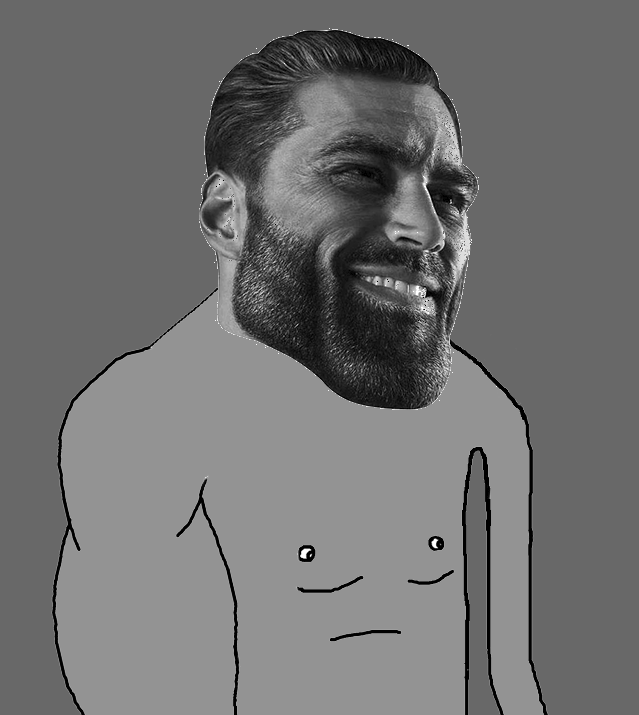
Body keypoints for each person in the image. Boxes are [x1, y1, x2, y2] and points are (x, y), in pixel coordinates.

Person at [54, 30, 547, 715]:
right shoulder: (142, 423)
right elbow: (138, 689)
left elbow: (512, 678)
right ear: (227, 215)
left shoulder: (481, 413)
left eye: (449, 196)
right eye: (360, 174)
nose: (428, 230)